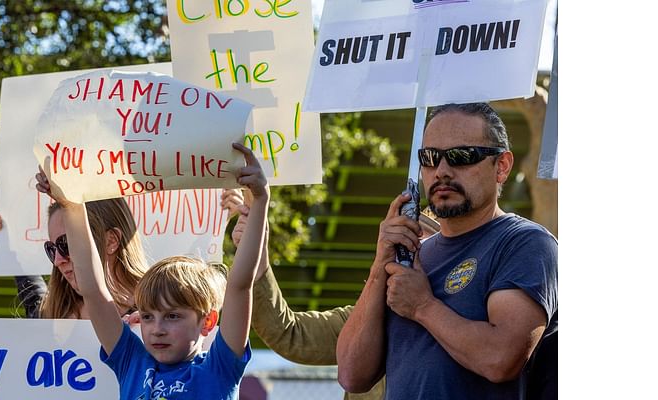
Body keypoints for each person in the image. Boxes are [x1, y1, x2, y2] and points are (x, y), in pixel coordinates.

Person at [336, 102, 558, 399]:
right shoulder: (410, 255)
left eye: (461, 156)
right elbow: (352, 375)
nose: (441, 171)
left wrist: (423, 307)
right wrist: (380, 265)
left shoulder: (525, 243)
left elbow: (500, 359)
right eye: (430, 158)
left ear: (501, 166)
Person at [37, 142, 269, 399]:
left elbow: (239, 285)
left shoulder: (219, 368)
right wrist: (71, 205)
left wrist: (260, 200)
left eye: (172, 316)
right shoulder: (132, 361)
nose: (157, 328)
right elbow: (94, 289)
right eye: (147, 317)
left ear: (208, 321)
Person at [225, 192, 439, 400]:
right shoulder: (363, 320)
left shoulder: (461, 319)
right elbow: (289, 335)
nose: (409, 256)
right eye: (403, 247)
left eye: (423, 248)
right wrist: (256, 251)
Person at [0, 198, 149, 319]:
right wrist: (6, 237)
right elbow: (31, 291)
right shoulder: (50, 315)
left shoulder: (158, 310)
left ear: (111, 240)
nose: (58, 260)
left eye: (67, 244)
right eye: (51, 249)